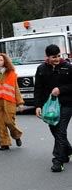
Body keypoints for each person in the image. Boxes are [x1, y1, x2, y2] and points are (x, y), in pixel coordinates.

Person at [33, 44, 72, 172]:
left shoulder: (68, 66)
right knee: (55, 131)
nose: (56, 59)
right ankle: (68, 150)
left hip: (66, 104)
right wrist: (38, 106)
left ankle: (58, 161)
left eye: (58, 56)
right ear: (47, 57)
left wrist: (60, 89)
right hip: (49, 106)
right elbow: (38, 89)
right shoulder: (41, 69)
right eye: (53, 57)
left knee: (60, 130)